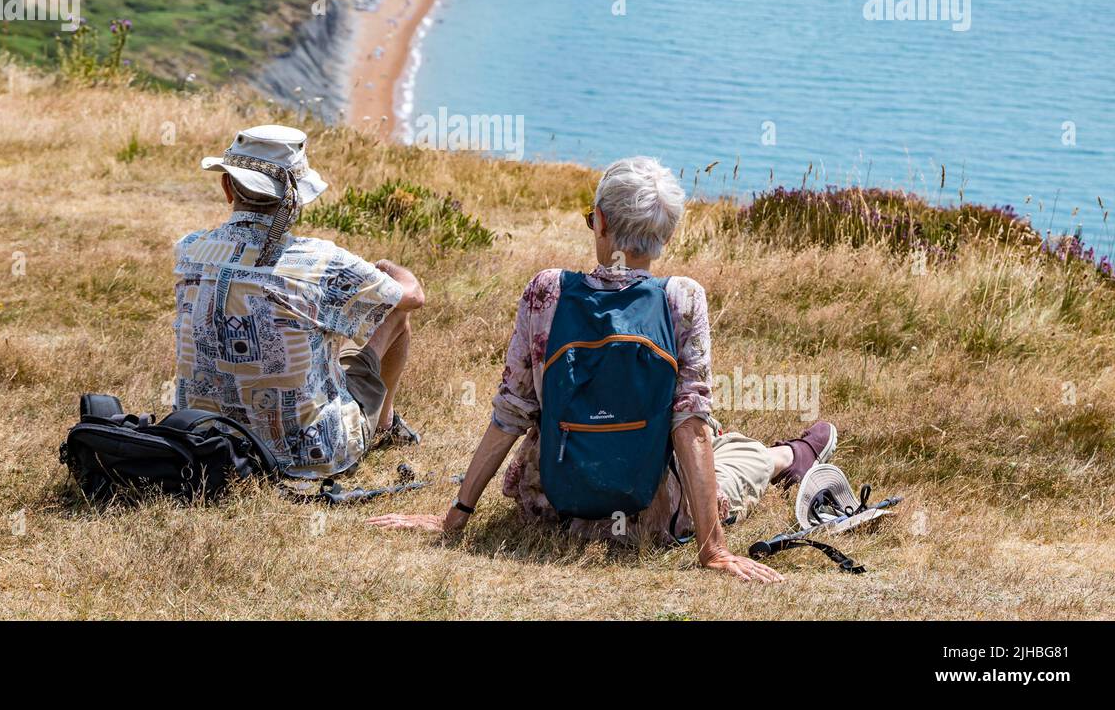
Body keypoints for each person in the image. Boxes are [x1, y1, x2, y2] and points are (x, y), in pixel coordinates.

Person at [369, 156, 836, 583]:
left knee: (716, 439)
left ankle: (775, 454)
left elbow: (511, 409)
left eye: (592, 219)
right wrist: (713, 550)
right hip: (649, 514)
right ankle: (787, 457)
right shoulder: (683, 298)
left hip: (551, 503)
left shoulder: (546, 291)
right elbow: (688, 424)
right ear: (665, 236)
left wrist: (456, 514)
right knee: (731, 453)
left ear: (603, 223)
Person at [173, 124, 424, 479]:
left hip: (203, 438)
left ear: (227, 186)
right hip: (308, 453)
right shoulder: (322, 260)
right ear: (297, 197)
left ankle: (380, 418)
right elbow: (413, 297)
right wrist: (390, 270)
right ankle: (383, 423)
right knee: (397, 314)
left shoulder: (188, 249)